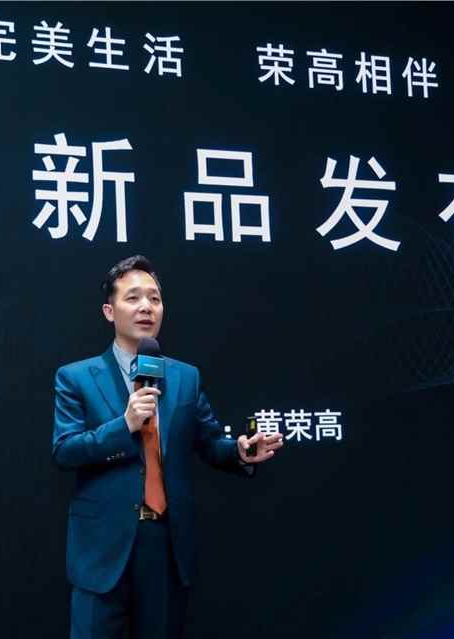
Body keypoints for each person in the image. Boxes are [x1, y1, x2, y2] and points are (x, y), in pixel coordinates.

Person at [51, 255, 284, 639]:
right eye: (133, 298)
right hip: (103, 547)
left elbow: (209, 442)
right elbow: (64, 450)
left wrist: (240, 451)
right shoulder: (76, 377)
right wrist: (124, 425)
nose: (146, 307)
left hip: (166, 543)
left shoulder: (184, 376)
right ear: (109, 311)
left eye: (155, 299)